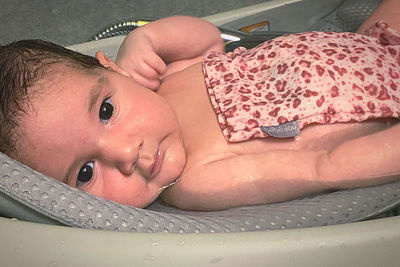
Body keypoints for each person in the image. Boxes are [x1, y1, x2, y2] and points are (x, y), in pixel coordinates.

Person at [0, 0, 399, 211]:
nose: (126, 153)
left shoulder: (167, 79)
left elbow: (212, 40)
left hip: (371, 41)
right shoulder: (196, 182)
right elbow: (325, 166)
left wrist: (149, 39)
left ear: (113, 70)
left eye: (106, 111)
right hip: (386, 101)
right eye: (85, 173)